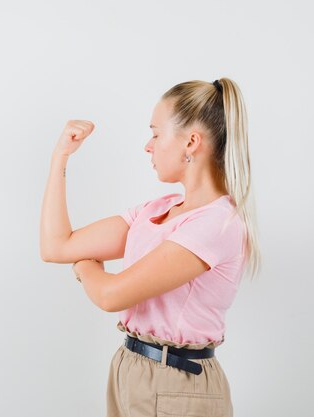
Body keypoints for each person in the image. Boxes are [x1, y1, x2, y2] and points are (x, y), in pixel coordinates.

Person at [40, 78, 261, 417]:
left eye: (156, 134)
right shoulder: (157, 209)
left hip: (176, 382)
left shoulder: (217, 223)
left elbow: (111, 296)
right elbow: (56, 246)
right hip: (131, 367)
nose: (148, 145)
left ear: (191, 142)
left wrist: (85, 265)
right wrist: (60, 158)